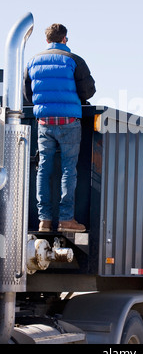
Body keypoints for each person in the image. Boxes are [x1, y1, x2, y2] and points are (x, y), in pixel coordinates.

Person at [23, 23, 96, 233]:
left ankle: (44, 220)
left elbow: (28, 95)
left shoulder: (32, 62)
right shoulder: (74, 60)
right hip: (69, 122)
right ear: (65, 39)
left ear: (47, 41)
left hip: (44, 124)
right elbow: (88, 91)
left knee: (43, 170)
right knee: (68, 170)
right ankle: (66, 220)